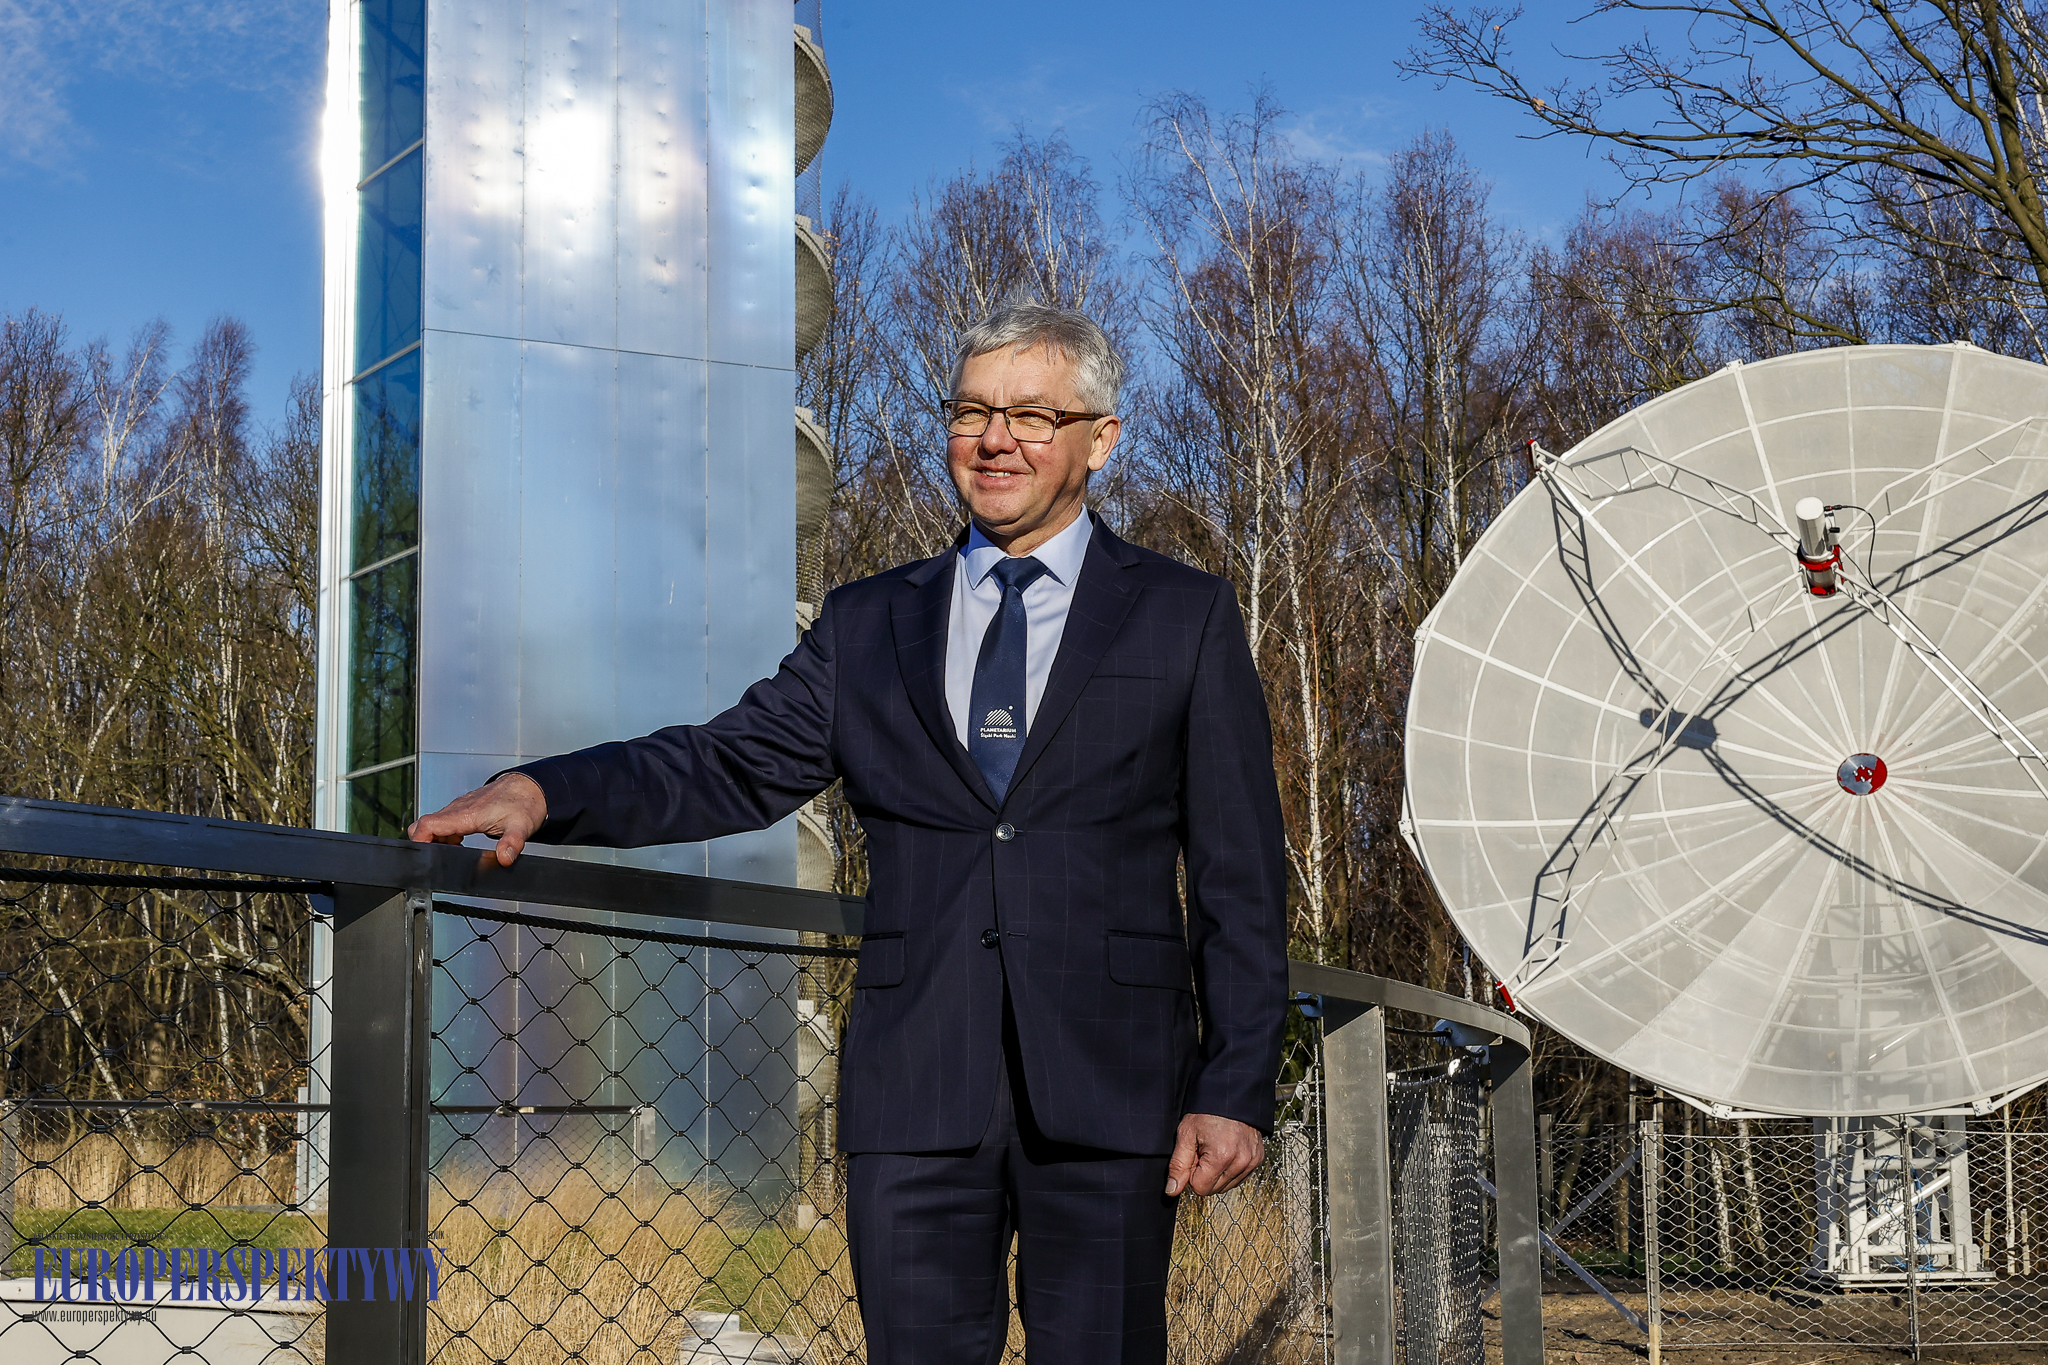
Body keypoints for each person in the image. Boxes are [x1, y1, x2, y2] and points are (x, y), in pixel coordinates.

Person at [409, 301, 1289, 1365]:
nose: (994, 437)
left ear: (1100, 440)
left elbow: (1239, 877)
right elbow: (728, 762)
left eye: (1029, 414)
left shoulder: (1181, 616)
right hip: (915, 1089)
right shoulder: (872, 622)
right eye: (970, 410)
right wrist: (546, 791)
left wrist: (1234, 1085)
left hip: (1112, 1093)